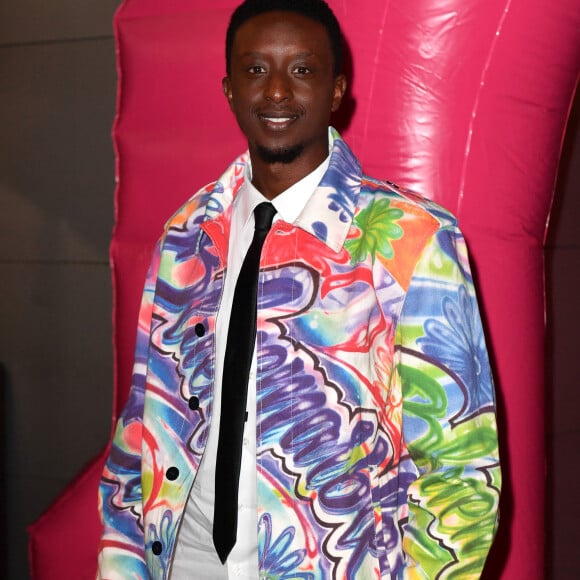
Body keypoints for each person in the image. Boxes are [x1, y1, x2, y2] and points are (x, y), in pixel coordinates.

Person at [97, 0, 501, 578]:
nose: (278, 92)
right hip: (179, 560)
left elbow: (460, 470)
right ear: (229, 89)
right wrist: (121, 562)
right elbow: (140, 420)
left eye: (303, 70)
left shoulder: (413, 239)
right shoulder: (187, 234)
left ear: (337, 89)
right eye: (256, 70)